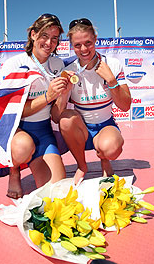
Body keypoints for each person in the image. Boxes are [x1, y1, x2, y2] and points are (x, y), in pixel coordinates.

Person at [0, 14, 70, 199]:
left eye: (54, 38)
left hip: (44, 131)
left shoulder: (57, 64)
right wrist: (48, 95)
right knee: (23, 147)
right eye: (44, 36)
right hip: (18, 130)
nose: (49, 42)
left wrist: (63, 95)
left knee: (59, 194)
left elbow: (56, 115)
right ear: (33, 34)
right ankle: (14, 171)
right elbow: (10, 112)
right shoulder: (14, 64)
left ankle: (37, 159)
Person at [52, 18, 131, 185]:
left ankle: (104, 159)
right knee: (66, 119)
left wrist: (111, 81)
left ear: (95, 39)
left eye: (88, 43)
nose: (84, 49)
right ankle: (82, 166)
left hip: (105, 126)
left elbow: (125, 106)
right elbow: (56, 117)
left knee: (111, 149)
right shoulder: (68, 70)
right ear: (71, 46)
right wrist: (63, 94)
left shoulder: (112, 64)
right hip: (81, 129)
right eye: (77, 45)